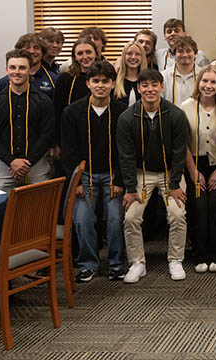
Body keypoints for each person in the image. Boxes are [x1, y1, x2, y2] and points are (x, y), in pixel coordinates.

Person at [117, 69, 189, 283]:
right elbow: (126, 157)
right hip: (142, 174)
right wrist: (130, 189)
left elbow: (179, 153)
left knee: (177, 214)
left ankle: (175, 260)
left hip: (170, 174)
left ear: (161, 87)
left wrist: (175, 184)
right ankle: (137, 263)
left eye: (154, 85)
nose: (150, 89)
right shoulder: (127, 118)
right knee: (131, 217)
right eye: (145, 85)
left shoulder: (175, 114)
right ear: (138, 88)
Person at [60, 61, 127, 281]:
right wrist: (76, 181)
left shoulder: (122, 111)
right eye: (95, 81)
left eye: (105, 81)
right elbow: (68, 151)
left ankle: (116, 264)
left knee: (115, 219)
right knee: (82, 219)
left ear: (112, 83)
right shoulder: (73, 112)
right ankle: (88, 263)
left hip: (112, 174)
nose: (100, 85)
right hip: (84, 176)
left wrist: (119, 180)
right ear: (88, 83)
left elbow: (125, 150)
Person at [181, 64, 216, 273]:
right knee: (199, 208)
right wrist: (193, 171)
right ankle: (200, 255)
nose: (208, 86)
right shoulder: (186, 106)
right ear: (198, 83)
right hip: (194, 164)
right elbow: (182, 143)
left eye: (213, 82)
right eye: (205, 81)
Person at [0, 49, 54, 192]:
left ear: (31, 70)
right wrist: (12, 161)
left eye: (22, 68)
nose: (17, 72)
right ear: (7, 70)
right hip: (5, 165)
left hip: (37, 164)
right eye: (13, 67)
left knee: (40, 209)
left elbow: (47, 136)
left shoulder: (44, 102)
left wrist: (27, 162)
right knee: (0, 209)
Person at [53, 38, 98, 145]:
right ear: (75, 57)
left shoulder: (104, 78)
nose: (85, 57)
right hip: (70, 136)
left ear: (96, 54)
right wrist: (55, 143)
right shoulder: (66, 79)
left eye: (88, 52)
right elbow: (57, 111)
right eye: (80, 53)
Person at [0, 33, 56, 99]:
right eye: (27, 47)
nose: (32, 51)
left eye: (36, 48)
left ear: (42, 52)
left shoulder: (53, 80)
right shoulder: (4, 82)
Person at [161, 36, 201, 105]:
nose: (185, 55)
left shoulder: (203, 75)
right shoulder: (164, 77)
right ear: (174, 54)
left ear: (195, 53)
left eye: (188, 51)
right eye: (180, 51)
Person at [113, 41, 146, 106]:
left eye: (137, 54)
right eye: (129, 53)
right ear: (123, 56)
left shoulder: (147, 81)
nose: (133, 57)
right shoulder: (114, 80)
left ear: (142, 57)